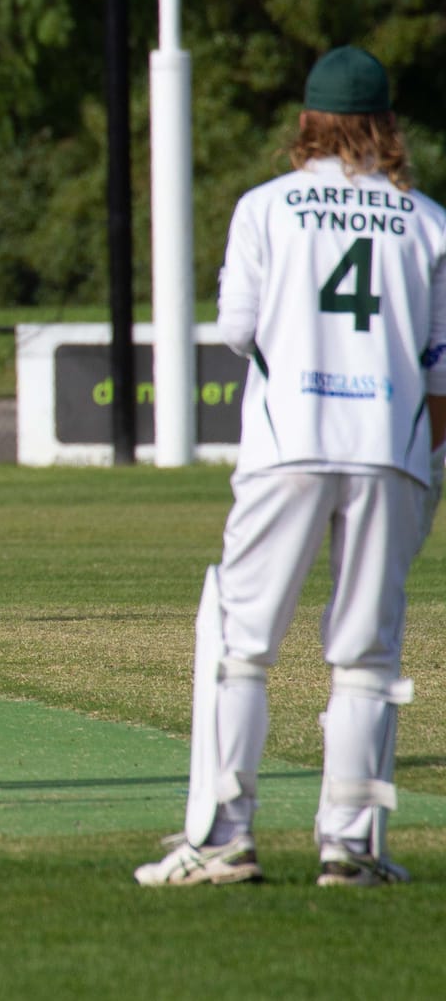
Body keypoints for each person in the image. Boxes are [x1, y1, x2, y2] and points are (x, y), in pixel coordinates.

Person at [135, 46, 446, 888]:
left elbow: (240, 329)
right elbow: (441, 372)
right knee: (368, 657)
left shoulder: (265, 207)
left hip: (288, 443)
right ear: (386, 124)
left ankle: (224, 837)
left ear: (307, 120)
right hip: (392, 449)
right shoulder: (429, 221)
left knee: (242, 644)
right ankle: (352, 846)